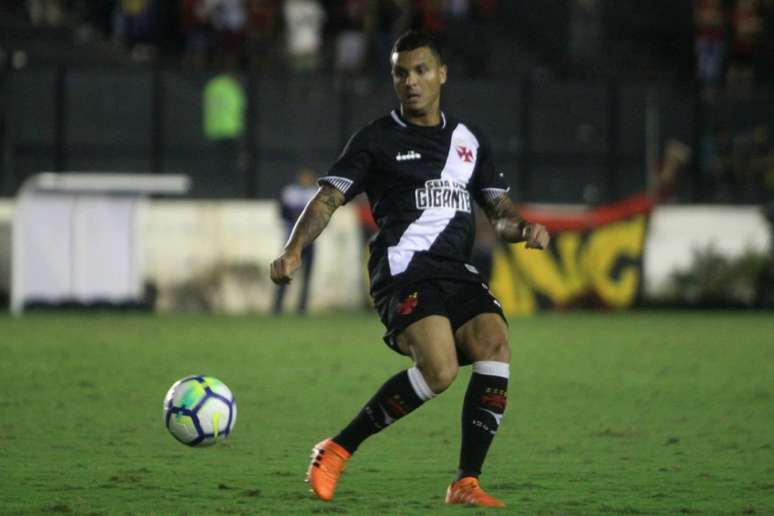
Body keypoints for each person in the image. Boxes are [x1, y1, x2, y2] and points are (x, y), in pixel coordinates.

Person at [269, 30, 549, 508]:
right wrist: (294, 249)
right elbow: (329, 198)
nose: (411, 81)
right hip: (402, 269)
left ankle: (466, 482)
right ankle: (337, 448)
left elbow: (497, 211)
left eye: (421, 70)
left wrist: (522, 229)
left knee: (494, 342)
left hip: (456, 270)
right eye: (401, 73)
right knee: (439, 370)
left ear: (442, 74)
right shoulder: (376, 139)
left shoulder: (469, 140)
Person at [273, 168, 319, 314]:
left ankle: (302, 307)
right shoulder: (290, 192)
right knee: (284, 272)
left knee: (307, 276)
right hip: (291, 242)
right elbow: (282, 213)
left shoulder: (316, 192)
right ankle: (278, 306)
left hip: (309, 241)